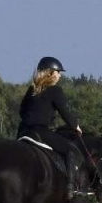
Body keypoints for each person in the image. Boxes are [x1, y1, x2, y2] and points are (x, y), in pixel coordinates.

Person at [17, 56, 85, 194]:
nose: (60, 75)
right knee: (71, 151)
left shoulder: (31, 90)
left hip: (23, 132)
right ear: (50, 73)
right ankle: (71, 189)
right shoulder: (55, 91)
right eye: (58, 72)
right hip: (41, 131)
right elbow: (65, 112)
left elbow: (21, 111)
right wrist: (75, 126)